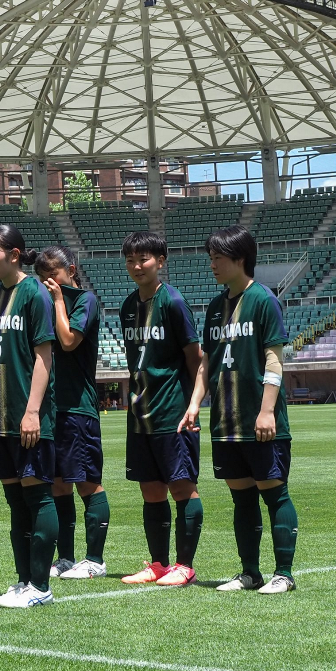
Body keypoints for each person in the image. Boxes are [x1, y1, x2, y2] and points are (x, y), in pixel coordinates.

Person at [182, 224, 299, 595]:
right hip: (225, 423)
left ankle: (284, 573)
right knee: (241, 497)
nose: (212, 264)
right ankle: (251, 572)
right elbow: (206, 363)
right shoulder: (216, 307)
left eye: (218, 258)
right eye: (211, 258)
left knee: (274, 492)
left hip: (260, 421)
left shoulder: (264, 300)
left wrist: (266, 411)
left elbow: (274, 360)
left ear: (240, 258)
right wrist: (194, 405)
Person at [0, 223, 58, 610]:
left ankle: (41, 585)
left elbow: (44, 355)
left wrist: (33, 411)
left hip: (26, 415)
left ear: (14, 253)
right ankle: (23, 581)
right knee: (14, 500)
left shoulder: (34, 293)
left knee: (37, 496)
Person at [118, 231, 204, 587]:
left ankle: (185, 565)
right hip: (140, 414)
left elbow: (195, 359)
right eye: (131, 260)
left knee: (182, 487)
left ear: (161, 262)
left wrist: (192, 405)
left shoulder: (173, 303)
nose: (138, 266)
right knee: (151, 490)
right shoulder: (126, 305)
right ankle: (157, 564)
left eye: (145, 259)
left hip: (173, 413)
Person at [34, 245, 109, 579]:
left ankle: (94, 560)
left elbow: (68, 341)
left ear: (71, 271)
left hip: (79, 408)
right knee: (59, 486)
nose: (50, 284)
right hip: (53, 409)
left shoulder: (84, 301)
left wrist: (60, 302)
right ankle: (65, 558)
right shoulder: (45, 306)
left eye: (55, 277)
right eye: (44, 279)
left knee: (88, 484)